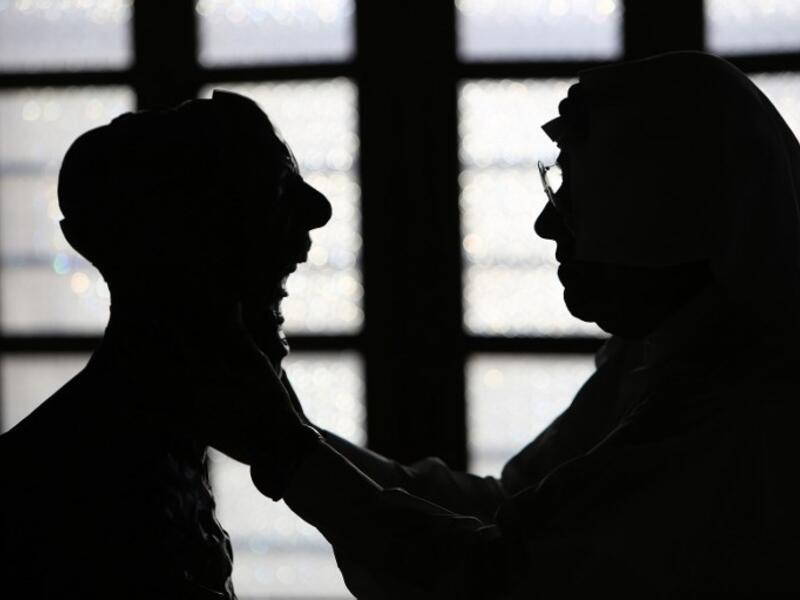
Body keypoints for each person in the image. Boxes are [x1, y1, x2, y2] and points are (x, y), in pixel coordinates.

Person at [203, 52, 800, 598]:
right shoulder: (659, 357)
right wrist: (284, 432)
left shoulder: (743, 414)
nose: (546, 224)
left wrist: (285, 448)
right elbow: (511, 506)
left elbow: (500, 579)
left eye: (573, 193)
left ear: (660, 213)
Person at [0, 91, 331, 599]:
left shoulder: (137, 443)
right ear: (178, 241)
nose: (309, 225)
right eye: (270, 195)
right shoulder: (66, 488)